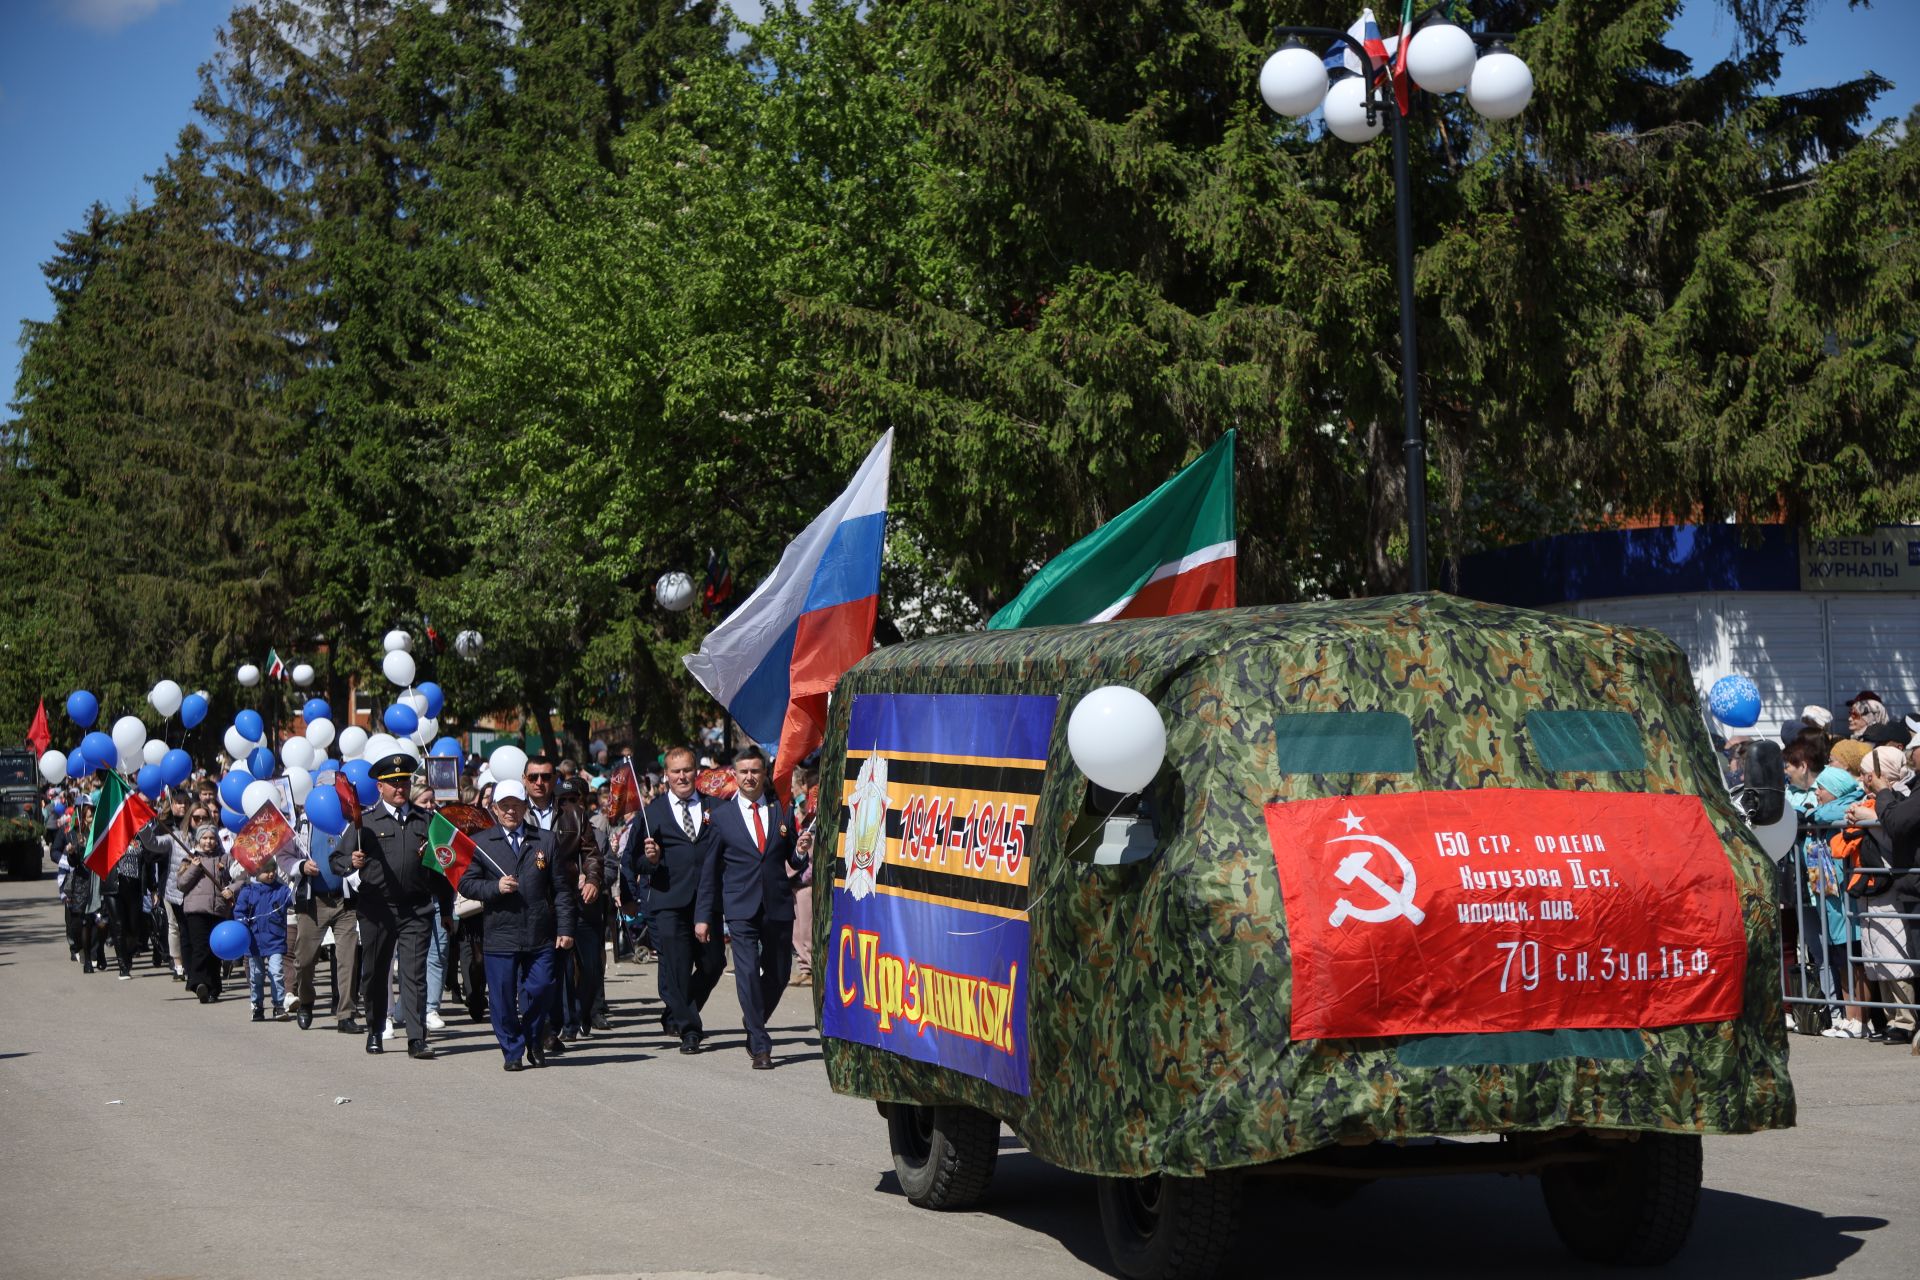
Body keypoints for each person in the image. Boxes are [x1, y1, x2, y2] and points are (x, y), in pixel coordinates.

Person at [696, 746, 812, 1069]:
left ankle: (753, 1020)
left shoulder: (782, 811)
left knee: (778, 973)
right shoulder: (721, 818)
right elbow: (709, 872)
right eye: (744, 771)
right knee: (746, 973)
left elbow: (792, 859)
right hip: (740, 907)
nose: (750, 777)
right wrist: (703, 916)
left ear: (764, 774)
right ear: (735, 775)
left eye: (755, 771)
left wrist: (801, 851)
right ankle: (760, 1044)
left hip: (776, 905)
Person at [332, 753, 450, 1060]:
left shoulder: (426, 821)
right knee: (374, 972)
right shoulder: (365, 823)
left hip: (416, 908)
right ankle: (374, 1029)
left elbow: (441, 871)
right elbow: (336, 861)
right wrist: (351, 862)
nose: (400, 788)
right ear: (380, 788)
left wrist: (447, 910)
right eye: (393, 783)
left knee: (414, 974)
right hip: (377, 910)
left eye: (404, 782)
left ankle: (416, 1038)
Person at [459, 779, 578, 1070]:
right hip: (500, 933)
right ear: (495, 809)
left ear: (525, 807)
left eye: (516, 805)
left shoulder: (545, 840)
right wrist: (495, 888)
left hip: (539, 932)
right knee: (501, 998)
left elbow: (562, 889)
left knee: (541, 988)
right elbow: (467, 884)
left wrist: (565, 928)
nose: (511, 811)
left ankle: (534, 1038)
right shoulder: (483, 843)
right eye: (505, 806)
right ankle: (512, 1050)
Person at [630, 746, 724, 1053]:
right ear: (666, 775)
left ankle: (677, 1010)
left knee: (713, 964)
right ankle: (690, 1029)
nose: (682, 776)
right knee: (678, 967)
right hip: (668, 900)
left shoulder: (715, 808)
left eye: (686, 770)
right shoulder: (653, 812)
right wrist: (651, 860)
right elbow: (634, 861)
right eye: (675, 771)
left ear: (695, 772)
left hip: (707, 901)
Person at [522, 757, 605, 1050]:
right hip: (532, 903)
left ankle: (584, 1012)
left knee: (591, 967)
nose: (539, 783)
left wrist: (593, 879)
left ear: (554, 779)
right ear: (524, 779)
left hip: (571, 899)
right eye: (533, 777)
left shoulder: (574, 814)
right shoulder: (517, 813)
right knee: (548, 972)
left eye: (545, 777)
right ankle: (548, 1028)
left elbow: (592, 852)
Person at [1847, 745, 1918, 1045]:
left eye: (1869, 773)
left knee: (1896, 954)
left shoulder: (1903, 794)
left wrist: (1870, 816)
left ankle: (1904, 1019)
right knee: (1877, 952)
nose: (1864, 779)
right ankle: (1889, 1017)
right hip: (1879, 885)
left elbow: (1896, 827)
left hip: (1892, 882)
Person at [289, 811, 362, 1033]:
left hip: (345, 901)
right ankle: (306, 1000)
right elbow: (285, 856)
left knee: (348, 959)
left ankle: (346, 1014)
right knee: (304, 959)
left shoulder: (351, 821)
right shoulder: (302, 823)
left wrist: (358, 860)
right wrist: (301, 866)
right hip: (313, 903)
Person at [139, 792, 196, 982]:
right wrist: (153, 886)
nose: (182, 806)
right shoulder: (163, 826)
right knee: (174, 925)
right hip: (169, 883)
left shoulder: (196, 828)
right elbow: (151, 852)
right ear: (171, 804)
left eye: (185, 803)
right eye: (178, 803)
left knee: (190, 926)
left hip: (194, 886)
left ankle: (192, 961)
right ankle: (177, 963)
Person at [176, 824, 234, 1003]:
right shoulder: (189, 859)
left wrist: (231, 889)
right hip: (197, 910)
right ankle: (199, 983)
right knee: (200, 948)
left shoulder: (224, 858)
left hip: (218, 910)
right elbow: (181, 884)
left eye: (211, 838)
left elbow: (237, 878)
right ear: (198, 840)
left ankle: (214, 988)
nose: (208, 842)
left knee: (216, 950)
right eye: (204, 838)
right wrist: (194, 867)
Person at [233, 860, 293, 1021]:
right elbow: (239, 912)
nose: (271, 873)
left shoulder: (282, 890)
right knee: (256, 975)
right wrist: (242, 923)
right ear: (256, 872)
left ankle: (279, 1006)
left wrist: (297, 890)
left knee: (276, 973)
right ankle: (257, 1006)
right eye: (266, 871)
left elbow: (292, 899)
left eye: (273, 869)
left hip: (275, 939)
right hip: (254, 941)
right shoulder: (248, 891)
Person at [62, 797, 105, 972]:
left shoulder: (101, 833)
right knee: (83, 923)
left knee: (101, 921)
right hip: (82, 883)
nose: (92, 819)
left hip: (99, 881)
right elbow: (74, 863)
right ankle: (87, 956)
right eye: (89, 817)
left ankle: (97, 952)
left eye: (93, 816)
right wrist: (72, 852)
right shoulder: (75, 835)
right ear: (82, 818)